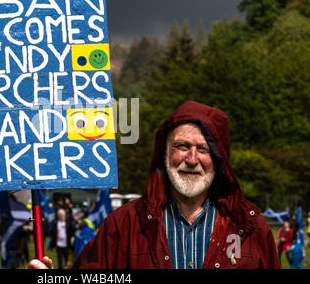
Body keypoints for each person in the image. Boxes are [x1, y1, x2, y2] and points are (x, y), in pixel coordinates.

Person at [28, 100, 280, 269]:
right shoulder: (124, 225)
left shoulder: (251, 228)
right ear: (164, 154)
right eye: (182, 146)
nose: (192, 160)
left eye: (203, 149)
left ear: (219, 159)